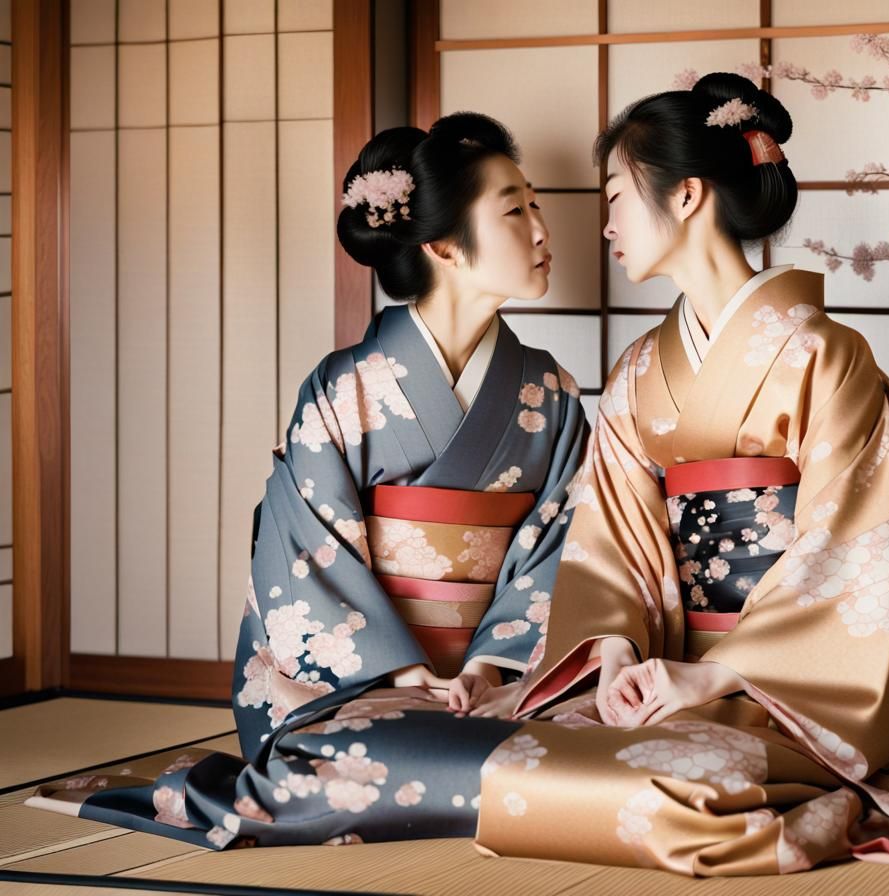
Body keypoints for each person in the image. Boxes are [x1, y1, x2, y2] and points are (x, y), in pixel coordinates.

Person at [470, 73, 889, 874]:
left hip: (784, 690)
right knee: (519, 771)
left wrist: (715, 675)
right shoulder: (636, 374)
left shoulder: (826, 356)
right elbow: (613, 545)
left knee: (670, 794)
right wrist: (619, 656)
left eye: (615, 199)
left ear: (689, 195)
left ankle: (796, 788)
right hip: (663, 679)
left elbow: (851, 551)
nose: (605, 227)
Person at [28, 112, 588, 848]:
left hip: (503, 682)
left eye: (537, 205)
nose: (544, 230)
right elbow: (302, 553)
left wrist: (492, 668)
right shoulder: (341, 390)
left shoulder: (549, 391)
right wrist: (409, 678)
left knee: (586, 743)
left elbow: (560, 542)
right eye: (517, 209)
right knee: (397, 764)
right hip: (360, 687)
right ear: (445, 244)